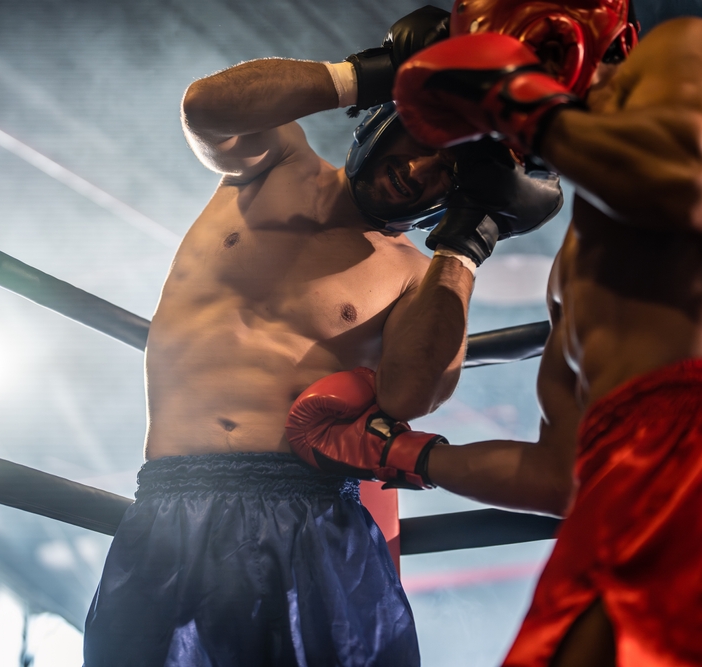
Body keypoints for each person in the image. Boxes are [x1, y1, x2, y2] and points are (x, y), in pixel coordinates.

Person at [287, 0, 702, 665]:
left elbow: (693, 181)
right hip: (614, 492)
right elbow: (560, 474)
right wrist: (398, 452)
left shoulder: (687, 52)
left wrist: (514, 101)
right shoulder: (574, 267)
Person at [81, 6, 563, 666]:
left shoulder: (415, 274)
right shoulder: (275, 162)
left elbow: (412, 392)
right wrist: (375, 73)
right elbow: (207, 107)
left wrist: (468, 242)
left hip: (308, 516)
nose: (421, 170)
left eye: (448, 175)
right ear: (388, 120)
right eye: (423, 143)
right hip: (170, 504)